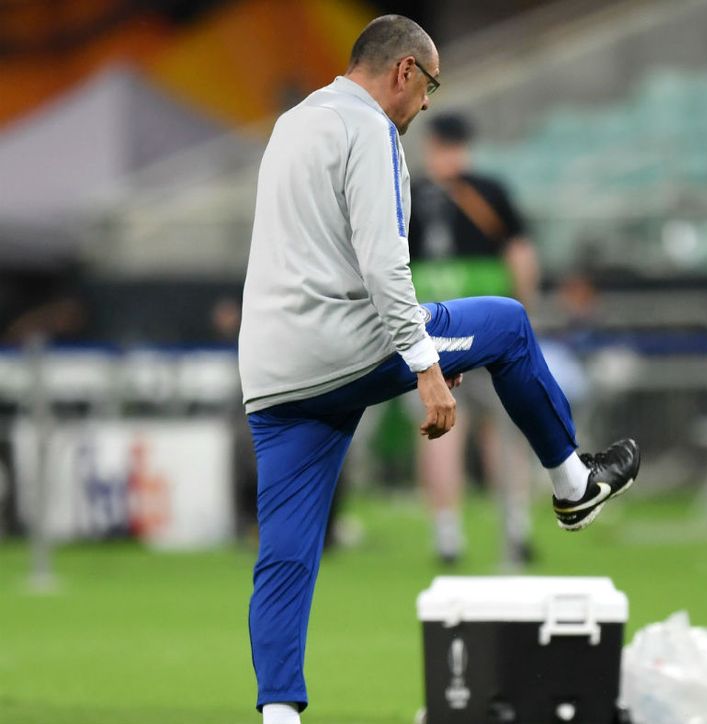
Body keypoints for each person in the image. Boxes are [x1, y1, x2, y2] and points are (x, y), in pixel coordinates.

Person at [237, 16, 640, 724]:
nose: (426, 105)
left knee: (286, 556)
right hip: (349, 345)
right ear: (403, 72)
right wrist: (422, 362)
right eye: (429, 85)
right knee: (510, 324)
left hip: (274, 370)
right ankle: (574, 485)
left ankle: (278, 714)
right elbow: (383, 258)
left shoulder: (294, 124)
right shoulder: (369, 130)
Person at [406, 112, 540, 567]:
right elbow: (520, 255)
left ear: (432, 144)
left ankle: (447, 536)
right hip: (487, 327)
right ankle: (516, 527)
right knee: (500, 430)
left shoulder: (409, 193)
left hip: (429, 330)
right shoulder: (489, 191)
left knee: (439, 432)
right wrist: (525, 315)